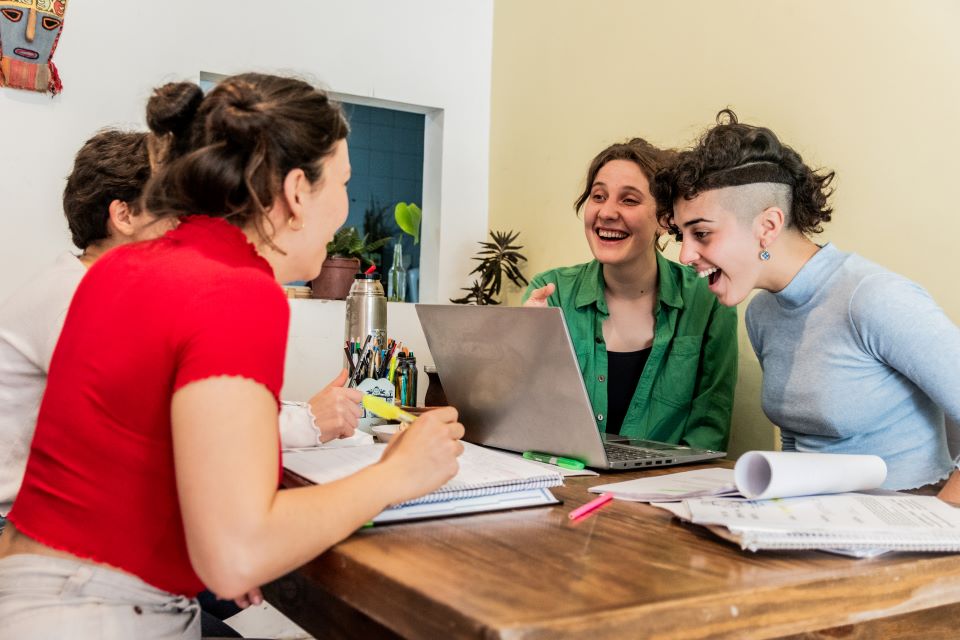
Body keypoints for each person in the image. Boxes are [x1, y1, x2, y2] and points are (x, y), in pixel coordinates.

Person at [0, 73, 464, 638]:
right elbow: (237, 555)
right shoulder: (234, 289)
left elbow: (141, 455)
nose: (345, 208)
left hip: (32, 589)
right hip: (98, 613)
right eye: (343, 182)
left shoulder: (123, 266)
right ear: (297, 192)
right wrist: (397, 474)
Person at [656, 108, 960, 495]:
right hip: (817, 520)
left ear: (767, 226)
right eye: (682, 235)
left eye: (701, 233)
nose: (684, 255)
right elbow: (797, 440)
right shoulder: (762, 313)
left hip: (904, 523)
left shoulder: (873, 297)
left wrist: (941, 517)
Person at [522, 138, 738, 451]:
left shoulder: (707, 299)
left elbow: (709, 432)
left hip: (667, 489)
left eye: (629, 200)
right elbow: (529, 420)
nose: (607, 212)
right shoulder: (551, 294)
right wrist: (524, 350)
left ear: (665, 219)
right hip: (569, 483)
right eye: (598, 196)